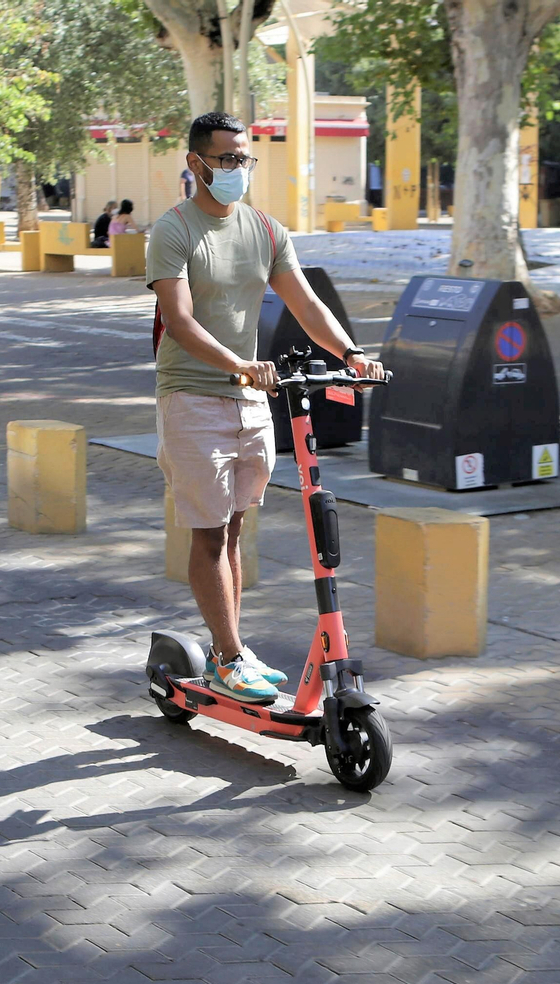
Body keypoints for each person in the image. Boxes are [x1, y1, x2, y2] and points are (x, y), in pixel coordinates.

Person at [148, 111, 385, 705]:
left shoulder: (267, 230)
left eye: (243, 159)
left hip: (250, 399)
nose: (237, 169)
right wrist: (238, 363)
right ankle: (227, 656)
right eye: (225, 159)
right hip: (193, 397)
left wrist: (351, 353)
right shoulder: (173, 230)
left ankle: (232, 651)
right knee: (207, 536)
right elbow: (178, 321)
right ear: (196, 164)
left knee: (233, 534)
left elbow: (305, 304)